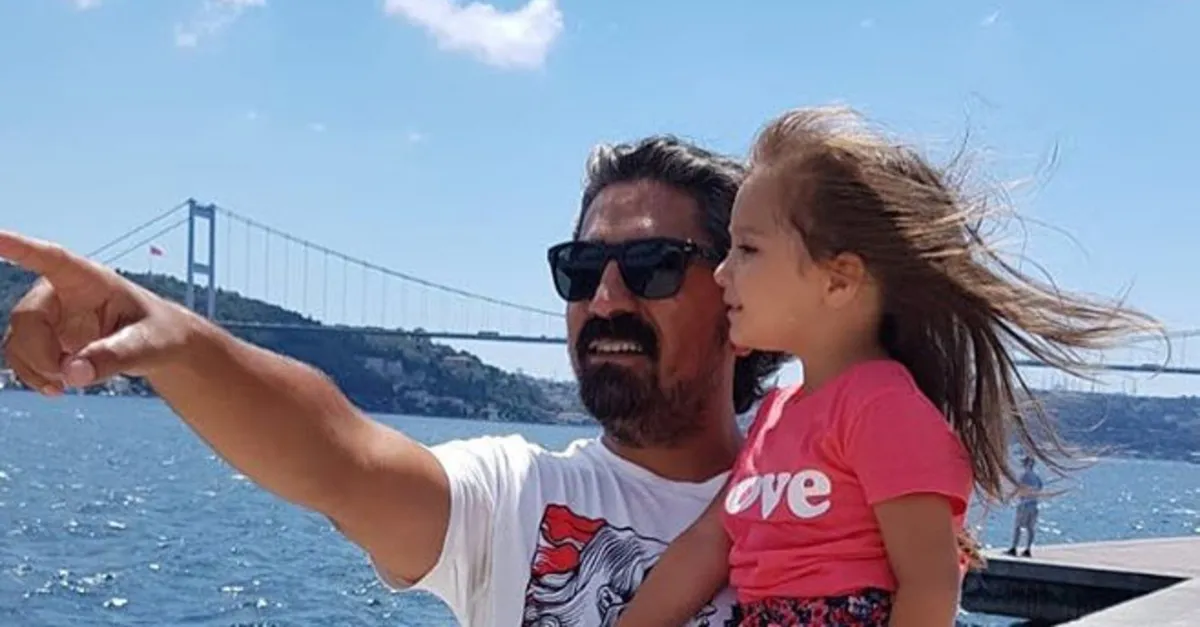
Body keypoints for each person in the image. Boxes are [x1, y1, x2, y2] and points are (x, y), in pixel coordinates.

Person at [0, 135, 788, 626]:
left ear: (739, 296)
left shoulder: (829, 477)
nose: (606, 297)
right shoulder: (516, 495)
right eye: (581, 268)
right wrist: (173, 338)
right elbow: (341, 459)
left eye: (650, 265)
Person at [615, 106, 1162, 627]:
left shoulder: (882, 407)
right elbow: (705, 546)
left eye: (747, 250)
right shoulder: (775, 416)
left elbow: (930, 583)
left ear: (838, 280)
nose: (722, 273)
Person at [1006, 456, 1043, 557]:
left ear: (1026, 464)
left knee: (1017, 527)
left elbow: (1018, 488)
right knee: (1030, 528)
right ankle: (1028, 549)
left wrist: (1009, 497)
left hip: (1024, 505)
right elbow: (1040, 488)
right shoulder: (1037, 477)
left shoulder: (1024, 476)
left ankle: (1014, 548)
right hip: (1034, 505)